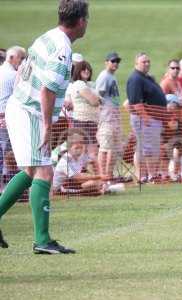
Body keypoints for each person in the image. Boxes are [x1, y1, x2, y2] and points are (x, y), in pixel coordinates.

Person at [0, 0, 89, 253]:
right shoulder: (63, 49)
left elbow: (23, 70)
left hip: (21, 107)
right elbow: (47, 89)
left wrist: (17, 100)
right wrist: (48, 124)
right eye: (87, 19)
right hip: (31, 112)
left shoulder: (47, 37)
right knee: (45, 173)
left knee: (30, 172)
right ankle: (42, 240)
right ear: (81, 21)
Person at [126, 52, 167, 183]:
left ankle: (143, 176)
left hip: (152, 118)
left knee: (145, 147)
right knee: (148, 148)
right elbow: (136, 102)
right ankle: (151, 175)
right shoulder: (135, 79)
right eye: (144, 62)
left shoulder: (146, 77)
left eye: (148, 61)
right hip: (144, 119)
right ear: (136, 63)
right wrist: (146, 118)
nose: (147, 64)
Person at [0, 46, 26, 191]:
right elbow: (20, 95)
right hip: (6, 117)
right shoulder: (11, 75)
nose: (22, 62)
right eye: (21, 58)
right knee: (10, 153)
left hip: (4, 115)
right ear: (11, 58)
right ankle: (12, 189)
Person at [95, 52, 123, 184]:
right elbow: (98, 97)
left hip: (114, 116)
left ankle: (109, 176)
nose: (115, 63)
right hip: (106, 117)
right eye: (113, 61)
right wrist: (101, 115)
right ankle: (103, 177)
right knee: (105, 148)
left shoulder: (112, 76)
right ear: (106, 62)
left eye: (117, 61)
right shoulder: (104, 76)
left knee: (113, 148)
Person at [69, 60, 100, 166]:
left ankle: (97, 178)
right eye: (83, 69)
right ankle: (101, 178)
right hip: (84, 121)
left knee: (87, 153)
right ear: (78, 71)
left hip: (87, 121)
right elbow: (95, 101)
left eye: (88, 69)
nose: (86, 71)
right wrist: (97, 98)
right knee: (92, 152)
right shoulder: (79, 84)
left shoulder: (88, 84)